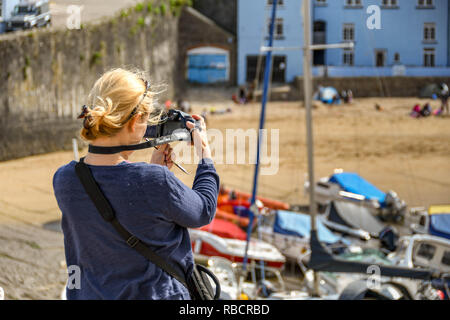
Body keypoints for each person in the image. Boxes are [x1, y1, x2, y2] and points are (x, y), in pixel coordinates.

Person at [53, 68, 219, 300]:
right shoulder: (153, 181)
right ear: (134, 122)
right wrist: (206, 156)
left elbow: (123, 209)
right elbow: (204, 210)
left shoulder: (64, 179)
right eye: (146, 120)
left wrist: (155, 170)